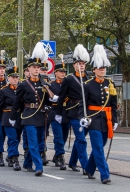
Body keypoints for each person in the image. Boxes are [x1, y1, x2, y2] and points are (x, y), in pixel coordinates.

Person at [9, 42, 53, 176]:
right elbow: (17, 102)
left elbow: (46, 100)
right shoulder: (23, 84)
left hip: (40, 116)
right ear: (29, 68)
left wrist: (48, 107)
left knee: (40, 143)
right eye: (34, 67)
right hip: (28, 116)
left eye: (38, 67)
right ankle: (39, 167)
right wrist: (12, 117)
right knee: (33, 142)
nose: (36, 69)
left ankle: (27, 163)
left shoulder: (43, 83)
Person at [79, 44, 118, 184]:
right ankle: (105, 174)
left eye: (104, 68)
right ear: (94, 70)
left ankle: (89, 168)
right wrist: (82, 117)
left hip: (106, 119)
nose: (102, 70)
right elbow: (82, 105)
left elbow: (114, 105)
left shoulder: (110, 83)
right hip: (93, 119)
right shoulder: (88, 85)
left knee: (100, 147)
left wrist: (115, 120)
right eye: (100, 68)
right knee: (98, 148)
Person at [55, 44, 90, 174]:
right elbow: (62, 97)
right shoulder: (69, 79)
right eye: (78, 63)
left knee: (80, 139)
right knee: (81, 139)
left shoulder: (88, 78)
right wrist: (58, 113)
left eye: (83, 64)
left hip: (86, 113)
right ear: (74, 65)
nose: (81, 66)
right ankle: (86, 167)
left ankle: (73, 161)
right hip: (74, 112)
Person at [0, 64, 22, 171]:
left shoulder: (22, 88)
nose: (15, 79)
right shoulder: (4, 90)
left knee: (17, 138)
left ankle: (10, 155)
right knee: (12, 137)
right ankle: (15, 159)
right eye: (13, 77)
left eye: (16, 77)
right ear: (8, 78)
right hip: (7, 116)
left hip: (19, 116)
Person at [48, 62, 70, 170]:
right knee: (58, 137)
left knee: (64, 137)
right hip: (55, 112)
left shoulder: (68, 84)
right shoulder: (51, 85)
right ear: (55, 72)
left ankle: (56, 155)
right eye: (60, 71)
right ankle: (61, 157)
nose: (63, 73)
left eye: (64, 72)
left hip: (66, 112)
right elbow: (48, 99)